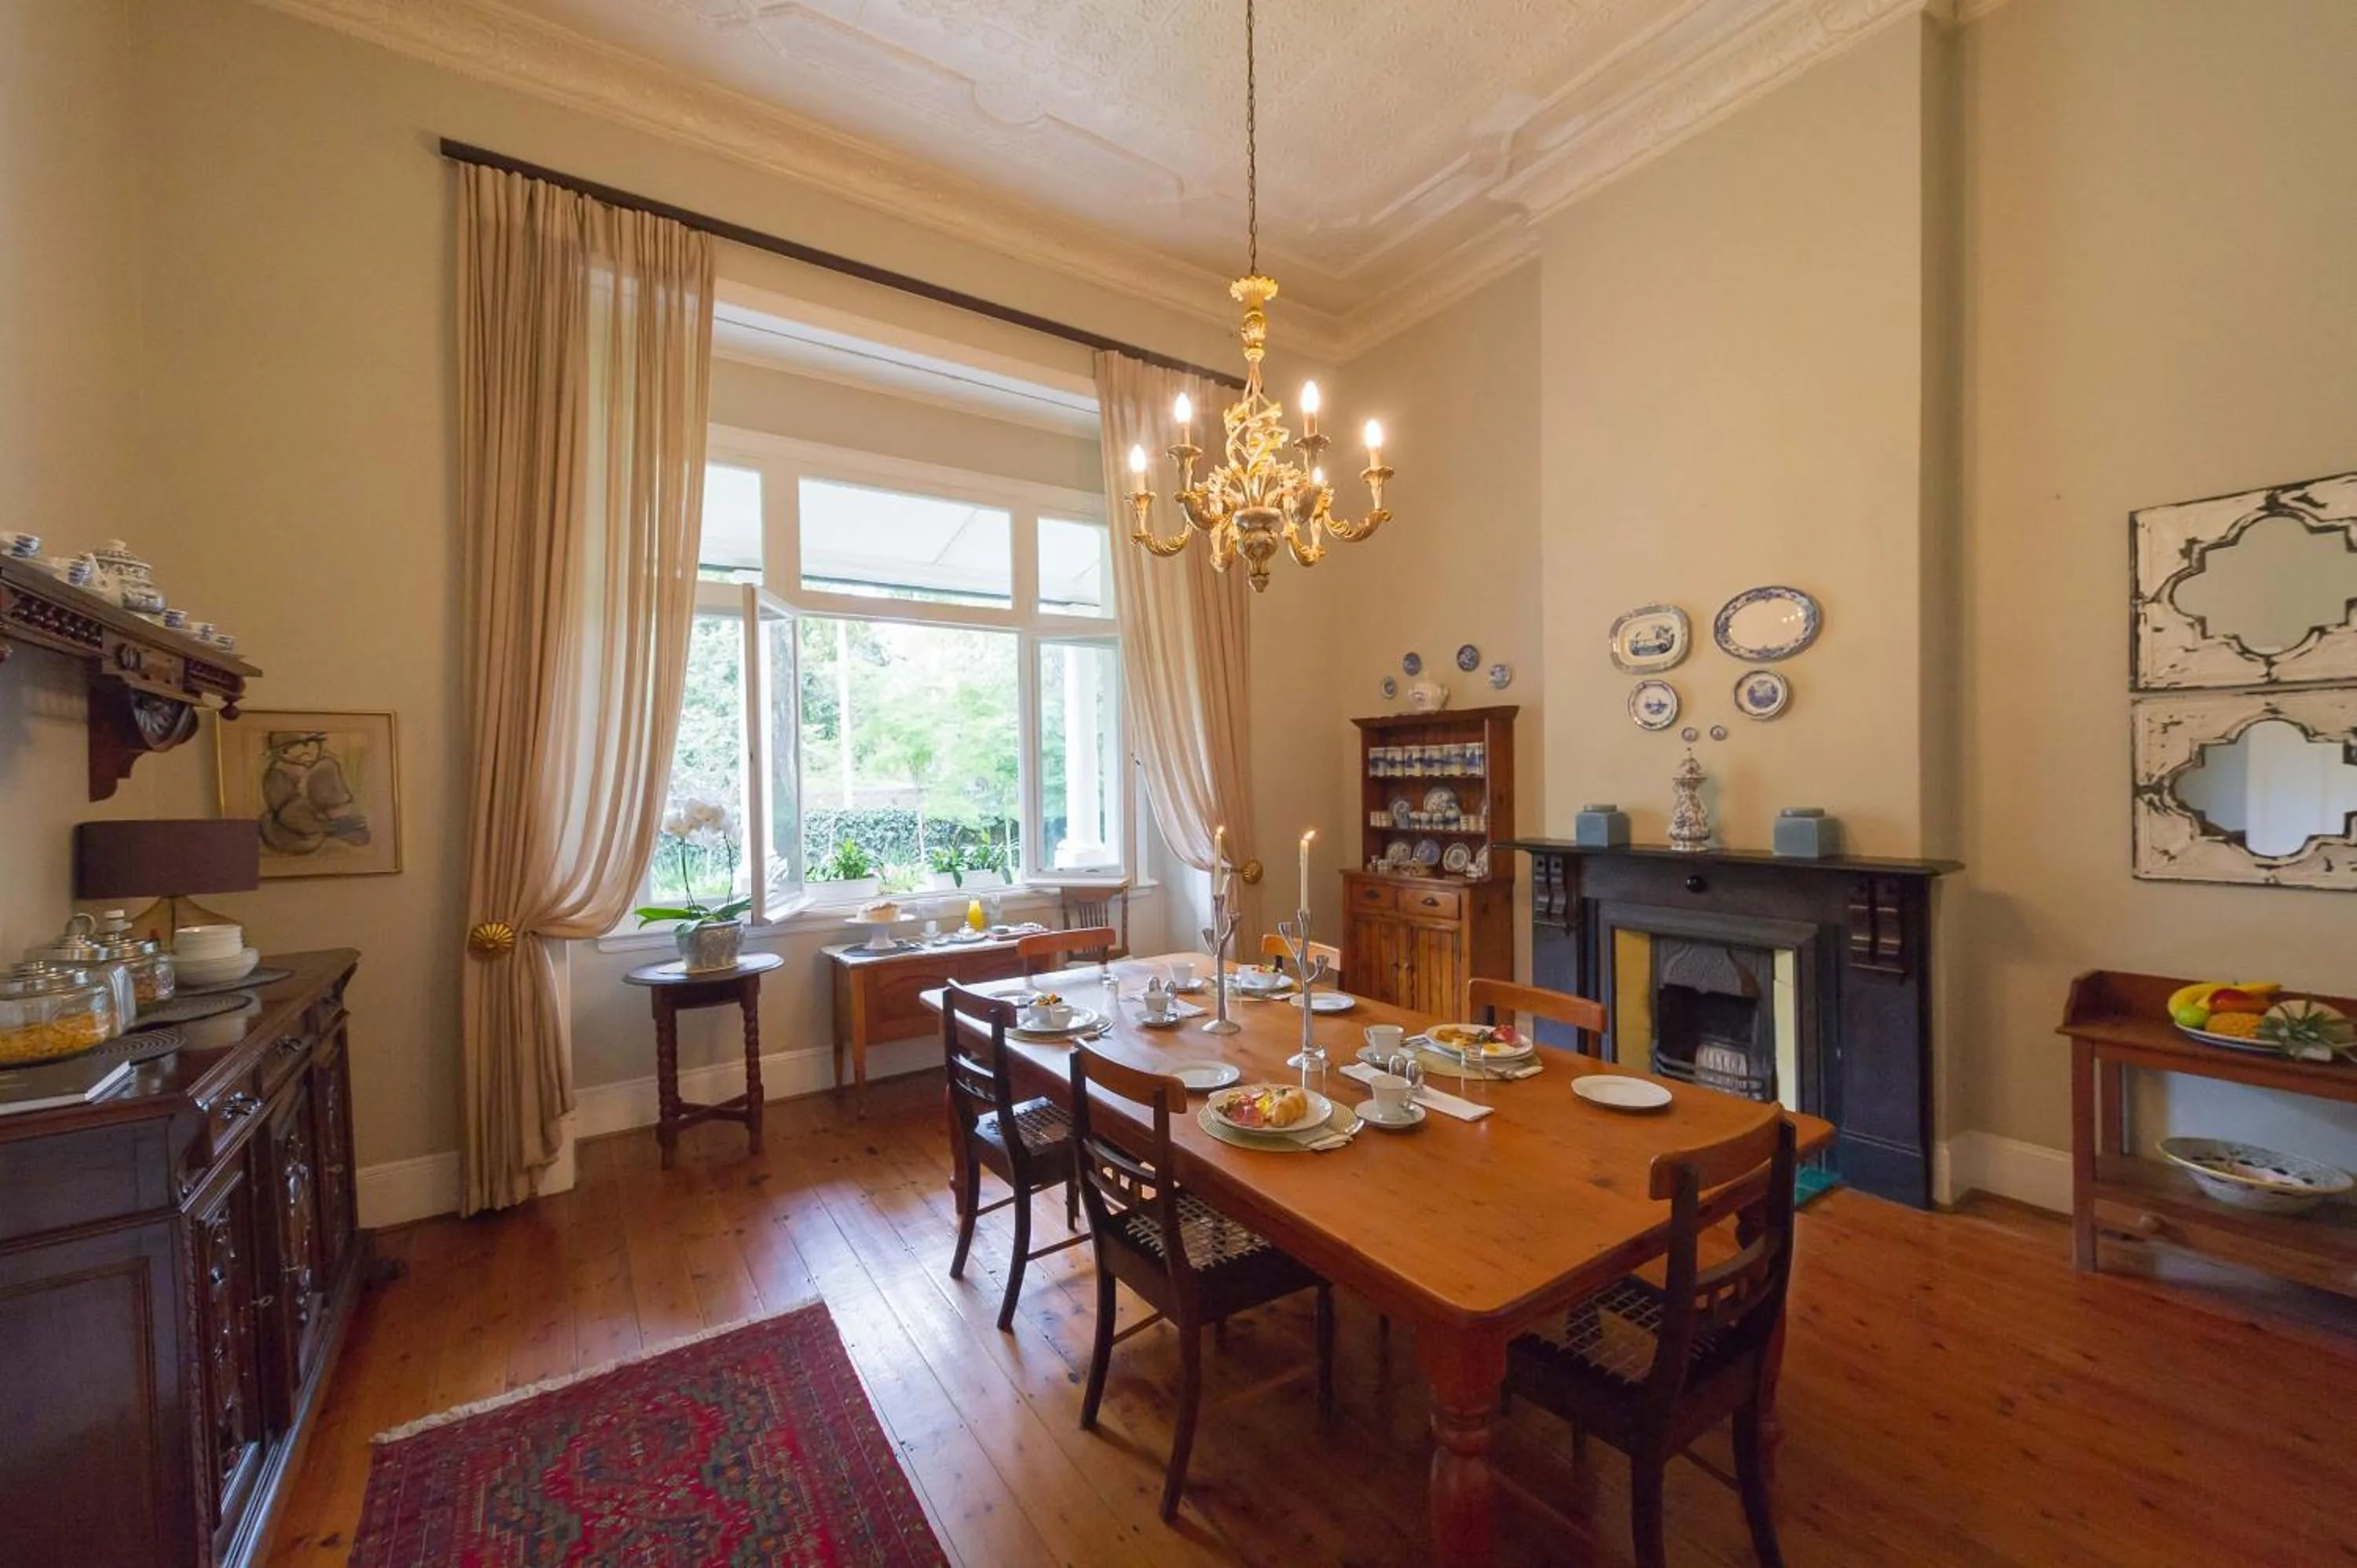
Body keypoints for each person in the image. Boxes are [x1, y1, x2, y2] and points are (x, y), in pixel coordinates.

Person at [258, 731, 372, 856]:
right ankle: (337, 825)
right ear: (284, 752)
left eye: (316, 744)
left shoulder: (319, 766)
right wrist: (326, 826)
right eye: (304, 745)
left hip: (321, 817)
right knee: (321, 771)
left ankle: (340, 820)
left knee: (326, 766)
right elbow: (287, 815)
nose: (312, 750)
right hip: (290, 831)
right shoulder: (278, 774)